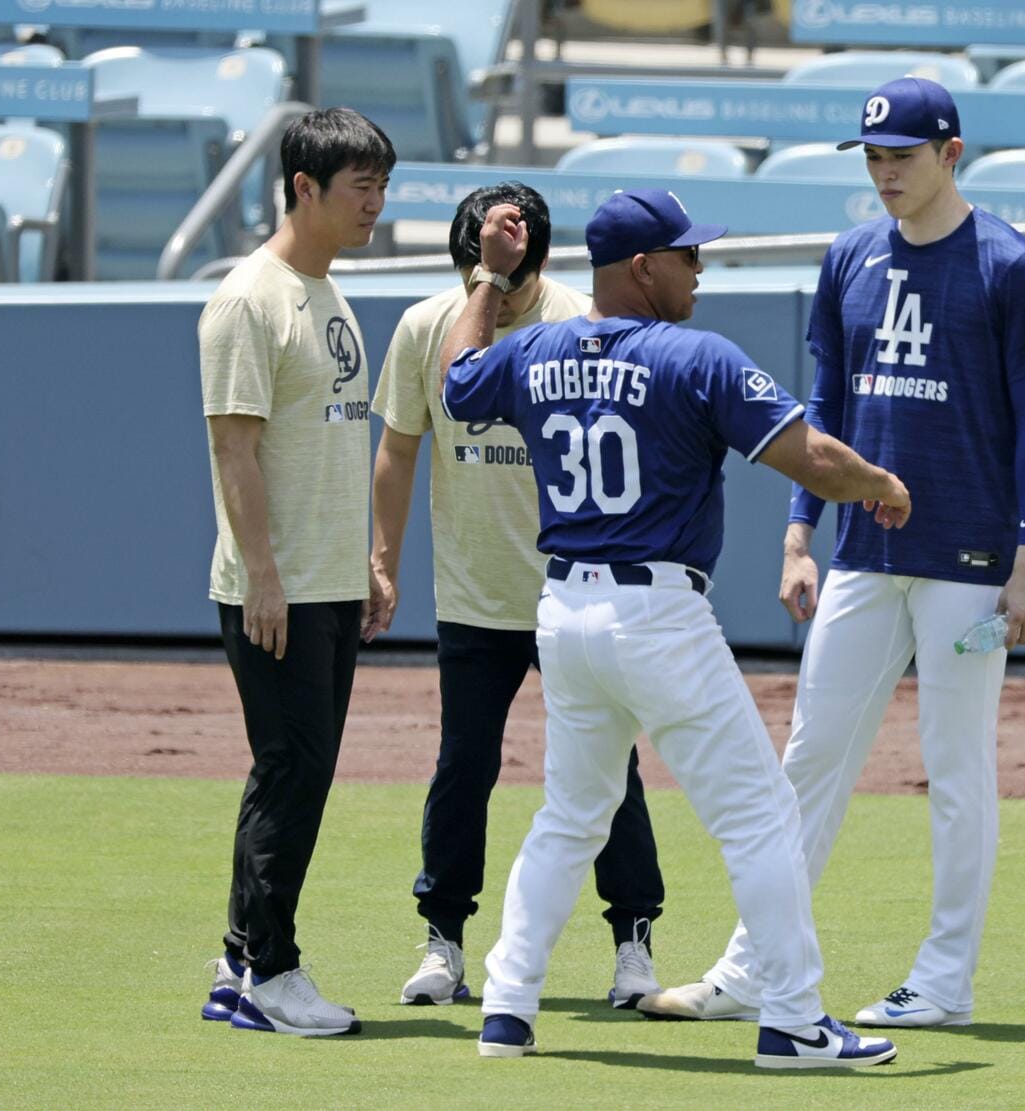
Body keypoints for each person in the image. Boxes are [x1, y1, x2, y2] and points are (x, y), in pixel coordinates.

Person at [438, 188, 910, 1069]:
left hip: (566, 612)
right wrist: (880, 483)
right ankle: (798, 1020)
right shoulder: (695, 356)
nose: (700, 267)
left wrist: (488, 279)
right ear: (642, 267)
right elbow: (806, 455)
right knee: (762, 813)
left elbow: (459, 384)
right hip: (655, 611)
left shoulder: (533, 346)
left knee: (570, 817)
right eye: (688, 254)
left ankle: (506, 1005)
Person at [641, 76, 1025, 1029]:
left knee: (956, 769)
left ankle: (945, 979)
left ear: (951, 153)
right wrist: (799, 530)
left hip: (970, 555)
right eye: (871, 157)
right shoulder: (849, 257)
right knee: (809, 757)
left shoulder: (1009, 264)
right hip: (865, 548)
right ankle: (754, 968)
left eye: (900, 156)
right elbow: (821, 413)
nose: (883, 173)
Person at [366, 182, 666, 1010]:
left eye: (506, 280)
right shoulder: (429, 325)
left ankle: (633, 943)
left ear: (535, 265)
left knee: (611, 770)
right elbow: (397, 448)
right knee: (464, 766)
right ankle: (444, 943)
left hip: (575, 594)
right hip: (473, 595)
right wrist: (381, 558)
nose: (491, 298)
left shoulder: (579, 320)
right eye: (477, 277)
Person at [197, 107, 395, 1037]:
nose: (376, 206)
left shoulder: (331, 295)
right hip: (276, 591)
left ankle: (240, 961)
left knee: (292, 771)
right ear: (304, 188)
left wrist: (362, 559)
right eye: (361, 188)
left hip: (328, 582)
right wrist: (264, 576)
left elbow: (325, 447)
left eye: (382, 187)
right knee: (294, 769)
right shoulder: (249, 299)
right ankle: (270, 972)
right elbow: (234, 452)